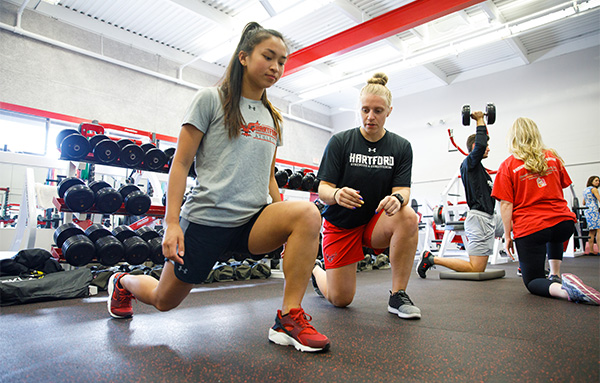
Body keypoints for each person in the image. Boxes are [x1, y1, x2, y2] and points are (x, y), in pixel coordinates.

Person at [106, 22, 330, 352]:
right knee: (162, 300)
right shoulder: (210, 100)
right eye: (268, 57)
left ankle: (288, 318)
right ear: (243, 57)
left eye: (282, 61)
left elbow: (268, 176)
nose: (275, 67)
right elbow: (180, 164)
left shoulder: (273, 118)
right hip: (206, 220)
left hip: (252, 220)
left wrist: (285, 219)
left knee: (308, 214)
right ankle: (122, 281)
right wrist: (170, 223)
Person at [312, 73, 421, 319]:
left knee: (407, 215)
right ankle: (317, 271)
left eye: (378, 111)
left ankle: (398, 294)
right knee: (341, 300)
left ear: (389, 111)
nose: (370, 117)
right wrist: (337, 194)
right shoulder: (340, 142)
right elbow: (323, 189)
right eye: (365, 110)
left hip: (374, 224)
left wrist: (398, 199)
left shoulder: (401, 147)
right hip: (342, 225)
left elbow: (403, 189)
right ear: (358, 109)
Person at [491, 117, 599, 305]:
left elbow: (506, 205)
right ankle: (556, 274)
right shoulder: (552, 157)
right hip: (564, 223)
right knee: (553, 233)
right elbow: (562, 185)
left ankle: (565, 290)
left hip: (532, 228)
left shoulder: (508, 165)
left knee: (533, 281)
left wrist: (507, 236)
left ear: (513, 137)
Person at [416, 111, 503, 278]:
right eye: (486, 145)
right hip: (479, 220)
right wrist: (479, 120)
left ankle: (529, 264)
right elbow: (480, 143)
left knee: (515, 221)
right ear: (475, 147)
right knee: (476, 268)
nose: (489, 148)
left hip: (490, 218)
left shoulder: (481, 171)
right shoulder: (470, 163)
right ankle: (431, 258)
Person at [582, 175, 600, 255]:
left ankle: (591, 251)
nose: (598, 182)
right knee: (599, 230)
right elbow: (599, 199)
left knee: (591, 231)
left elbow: (583, 202)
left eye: (598, 181)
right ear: (591, 181)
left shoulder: (585, 190)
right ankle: (599, 250)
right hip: (594, 210)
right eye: (596, 180)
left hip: (587, 210)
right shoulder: (594, 189)